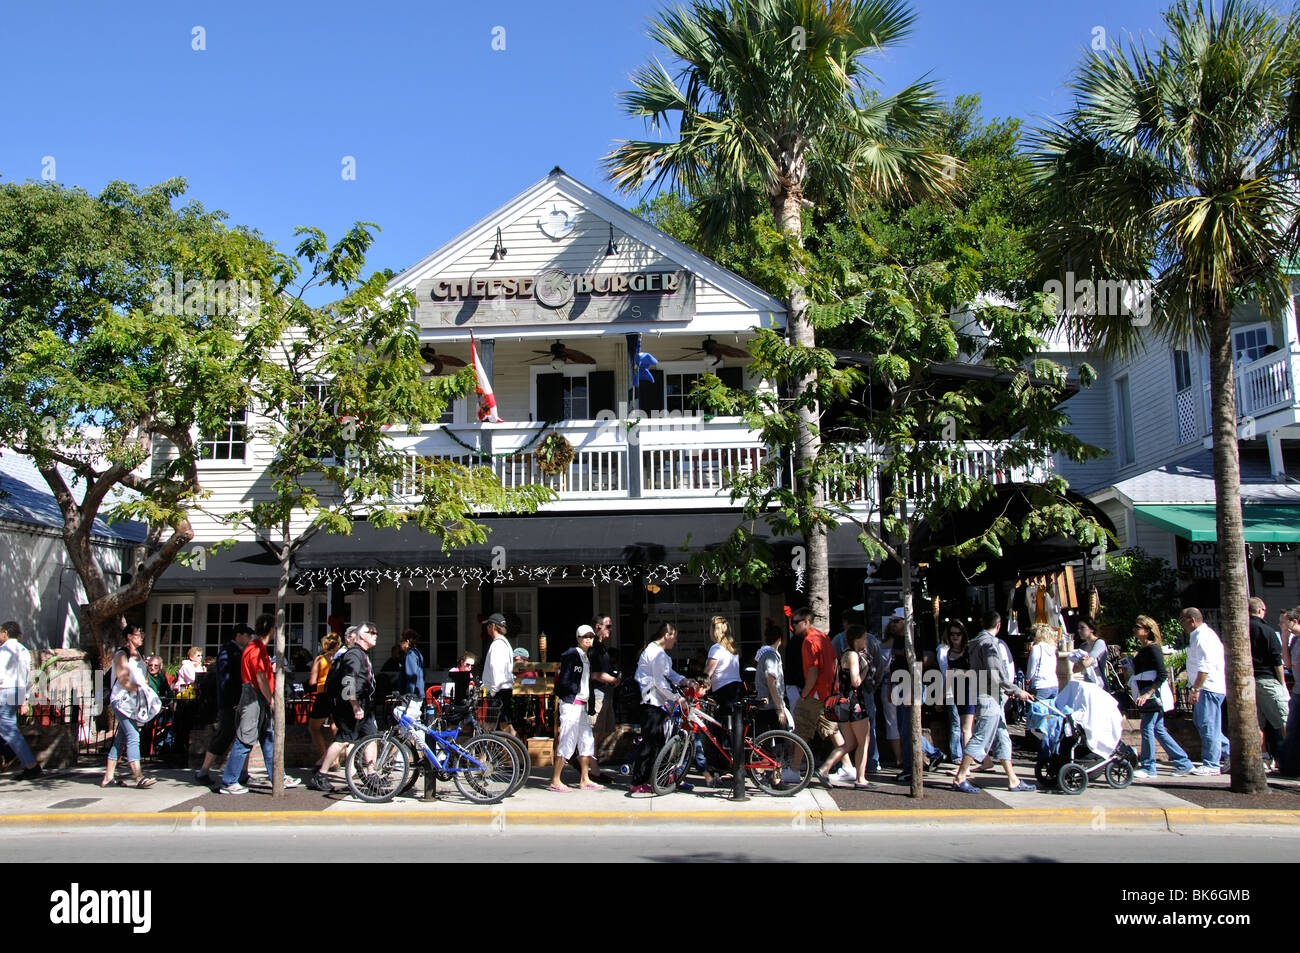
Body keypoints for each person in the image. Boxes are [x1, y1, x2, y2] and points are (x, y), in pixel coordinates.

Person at [950, 611, 1035, 793]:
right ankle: (960, 777)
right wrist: (1016, 690)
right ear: (999, 625)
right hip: (989, 696)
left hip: (988, 693)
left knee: (1003, 737)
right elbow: (995, 672)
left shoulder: (975, 642)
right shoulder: (989, 644)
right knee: (981, 736)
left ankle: (1013, 780)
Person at [219, 614, 302, 795]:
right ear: (271, 629)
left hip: (257, 697)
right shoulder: (256, 649)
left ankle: (278, 777)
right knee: (245, 738)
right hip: (254, 698)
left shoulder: (257, 648)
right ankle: (229, 781)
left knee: (268, 738)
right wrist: (270, 699)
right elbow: (259, 677)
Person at [308, 622, 379, 792]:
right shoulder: (354, 655)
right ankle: (321, 775)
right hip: (350, 706)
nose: (375, 635)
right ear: (362, 636)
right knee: (343, 739)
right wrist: (354, 705)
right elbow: (349, 681)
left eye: (376, 632)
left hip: (364, 705)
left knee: (371, 737)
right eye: (371, 632)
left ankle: (372, 775)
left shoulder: (362, 654)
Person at [629, 622, 696, 793]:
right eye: (674, 637)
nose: (675, 641)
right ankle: (638, 781)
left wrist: (684, 680)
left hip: (657, 702)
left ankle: (660, 777)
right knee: (650, 742)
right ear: (667, 635)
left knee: (659, 741)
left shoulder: (660, 654)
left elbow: (669, 675)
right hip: (650, 702)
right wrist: (677, 698)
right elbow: (660, 682)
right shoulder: (656, 653)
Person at [1130, 615, 1194, 779]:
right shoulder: (1144, 650)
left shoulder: (1153, 649)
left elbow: (1162, 674)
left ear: (1147, 630)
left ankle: (1149, 767)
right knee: (1158, 729)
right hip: (1146, 690)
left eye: (1138, 627)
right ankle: (1183, 762)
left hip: (1152, 693)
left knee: (1147, 728)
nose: (1135, 629)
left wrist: (1148, 693)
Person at [195, 622, 254, 786]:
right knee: (224, 735)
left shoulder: (236, 651)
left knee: (245, 735)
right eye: (247, 635)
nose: (249, 638)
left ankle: (243, 772)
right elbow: (228, 680)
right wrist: (234, 700)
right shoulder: (228, 652)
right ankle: (203, 771)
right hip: (231, 703)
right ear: (239, 635)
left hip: (239, 701)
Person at [100, 624, 157, 789]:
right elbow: (124, 680)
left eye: (142, 634)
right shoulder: (121, 655)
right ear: (129, 637)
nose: (141, 637)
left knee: (121, 739)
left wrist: (145, 692)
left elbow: (145, 678)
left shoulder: (139, 655)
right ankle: (138, 776)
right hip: (122, 700)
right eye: (138, 634)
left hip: (134, 702)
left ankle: (108, 778)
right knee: (133, 736)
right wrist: (140, 691)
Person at [816, 625, 873, 789]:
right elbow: (856, 681)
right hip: (855, 702)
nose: (865, 641)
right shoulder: (854, 656)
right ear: (857, 639)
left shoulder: (844, 655)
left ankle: (825, 768)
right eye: (864, 638)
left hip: (844, 702)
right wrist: (865, 670)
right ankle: (861, 778)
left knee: (849, 742)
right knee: (863, 741)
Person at [549, 624, 603, 791]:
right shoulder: (572, 655)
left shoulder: (587, 658)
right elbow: (565, 681)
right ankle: (556, 780)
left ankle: (585, 778)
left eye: (591, 636)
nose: (588, 639)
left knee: (587, 741)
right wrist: (575, 691)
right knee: (567, 740)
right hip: (571, 704)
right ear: (578, 639)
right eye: (584, 636)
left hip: (582, 706)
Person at [1182, 607, 1230, 776]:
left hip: (1208, 687)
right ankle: (1230, 753)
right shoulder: (1200, 636)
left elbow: (1205, 666)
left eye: (1183, 620)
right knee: (1203, 723)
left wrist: (1196, 688)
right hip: (1209, 687)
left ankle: (1212, 764)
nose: (1182, 624)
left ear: (1192, 620)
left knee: (1208, 725)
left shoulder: (1202, 637)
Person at [1247, 596, 1288, 767]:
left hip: (1249, 682)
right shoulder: (1267, 631)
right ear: (1260, 610)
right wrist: (1283, 683)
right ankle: (1290, 756)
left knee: (1258, 722)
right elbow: (1276, 661)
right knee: (1284, 719)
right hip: (1267, 680)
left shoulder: (1240, 629)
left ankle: (1263, 757)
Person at [0, 621, 42, 780]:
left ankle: (30, 765)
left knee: (10, 731)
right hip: (17, 692)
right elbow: (26, 677)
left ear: (5, 633)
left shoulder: (3, 651)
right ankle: (9, 753)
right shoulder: (24, 651)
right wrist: (24, 698)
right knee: (8, 728)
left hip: (5, 691)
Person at [938, 620, 974, 764]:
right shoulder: (948, 653)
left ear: (963, 635)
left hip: (969, 691)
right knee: (960, 727)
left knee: (966, 729)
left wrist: (958, 672)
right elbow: (948, 676)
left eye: (958, 634)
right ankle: (973, 759)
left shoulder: (969, 651)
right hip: (956, 692)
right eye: (952, 634)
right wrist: (941, 698)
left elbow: (975, 673)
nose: (955, 637)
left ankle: (967, 761)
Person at [307, 632, 342, 762]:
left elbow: (312, 681)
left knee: (313, 727)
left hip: (323, 695)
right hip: (338, 695)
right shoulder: (341, 659)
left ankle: (325, 756)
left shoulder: (320, 659)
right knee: (335, 727)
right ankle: (336, 758)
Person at [482, 613, 516, 736]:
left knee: (491, 726)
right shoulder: (505, 643)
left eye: (488, 625)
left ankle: (518, 751)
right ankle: (517, 751)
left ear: (493, 626)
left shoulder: (497, 645)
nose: (486, 628)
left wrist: (493, 691)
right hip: (504, 689)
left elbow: (495, 668)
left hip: (498, 690)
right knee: (503, 724)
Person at [1025, 623, 1059, 702]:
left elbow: (1032, 667)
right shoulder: (1052, 649)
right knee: (1051, 712)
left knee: (1038, 712)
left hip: (1040, 685)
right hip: (1054, 684)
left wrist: (1028, 678)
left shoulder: (1037, 648)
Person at [1073, 616, 1108, 689]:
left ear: (1091, 629)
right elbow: (1075, 669)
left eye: (1082, 628)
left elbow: (1088, 662)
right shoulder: (1083, 646)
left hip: (1099, 684)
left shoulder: (1099, 643)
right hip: (1087, 684)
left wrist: (1082, 662)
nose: (1079, 631)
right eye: (1078, 628)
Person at [399, 630, 425, 698]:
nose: (400, 644)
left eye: (402, 641)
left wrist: (409, 695)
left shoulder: (410, 655)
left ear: (407, 641)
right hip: (419, 693)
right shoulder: (417, 653)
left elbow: (411, 676)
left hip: (412, 696)